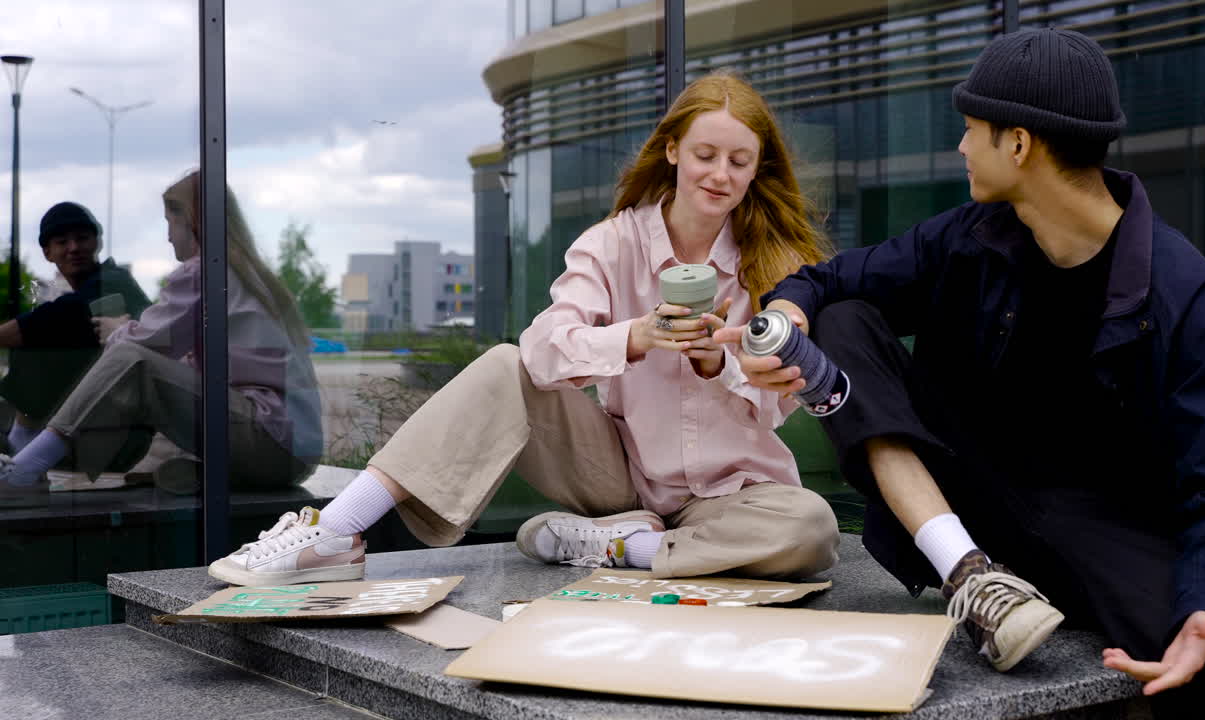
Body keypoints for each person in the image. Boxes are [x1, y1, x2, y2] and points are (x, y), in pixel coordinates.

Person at [717, 28, 1205, 716]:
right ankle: (968, 574)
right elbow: (830, 280)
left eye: (970, 129)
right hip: (967, 505)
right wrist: (785, 315)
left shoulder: (1181, 292)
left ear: (1018, 144)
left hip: (1099, 529)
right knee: (839, 318)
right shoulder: (970, 236)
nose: (960, 147)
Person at [206, 70, 841, 589]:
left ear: (756, 169)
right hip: (622, 475)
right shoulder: (612, 243)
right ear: (673, 150)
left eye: (739, 161)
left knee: (810, 529)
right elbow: (543, 352)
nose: (720, 175)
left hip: (736, 494)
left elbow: (781, 405)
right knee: (505, 364)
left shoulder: (777, 264)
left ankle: (629, 548)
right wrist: (633, 337)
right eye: (706, 155)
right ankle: (333, 532)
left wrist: (718, 366)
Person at [0, 171, 323, 505]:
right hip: (292, 454)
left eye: (170, 223)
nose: (168, 237)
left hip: (270, 441)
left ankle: (27, 466)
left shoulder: (206, 270)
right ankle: (64, 460)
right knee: (167, 458)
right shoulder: (244, 272)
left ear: (191, 221)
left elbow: (142, 345)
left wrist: (117, 330)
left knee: (130, 358)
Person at [0, 202, 151, 456]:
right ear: (48, 253)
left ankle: (21, 445)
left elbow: (59, 315)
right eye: (62, 242)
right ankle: (22, 443)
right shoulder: (97, 285)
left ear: (97, 243)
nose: (74, 248)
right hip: (111, 415)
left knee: (38, 342)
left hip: (129, 426)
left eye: (82, 238)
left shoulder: (112, 281)